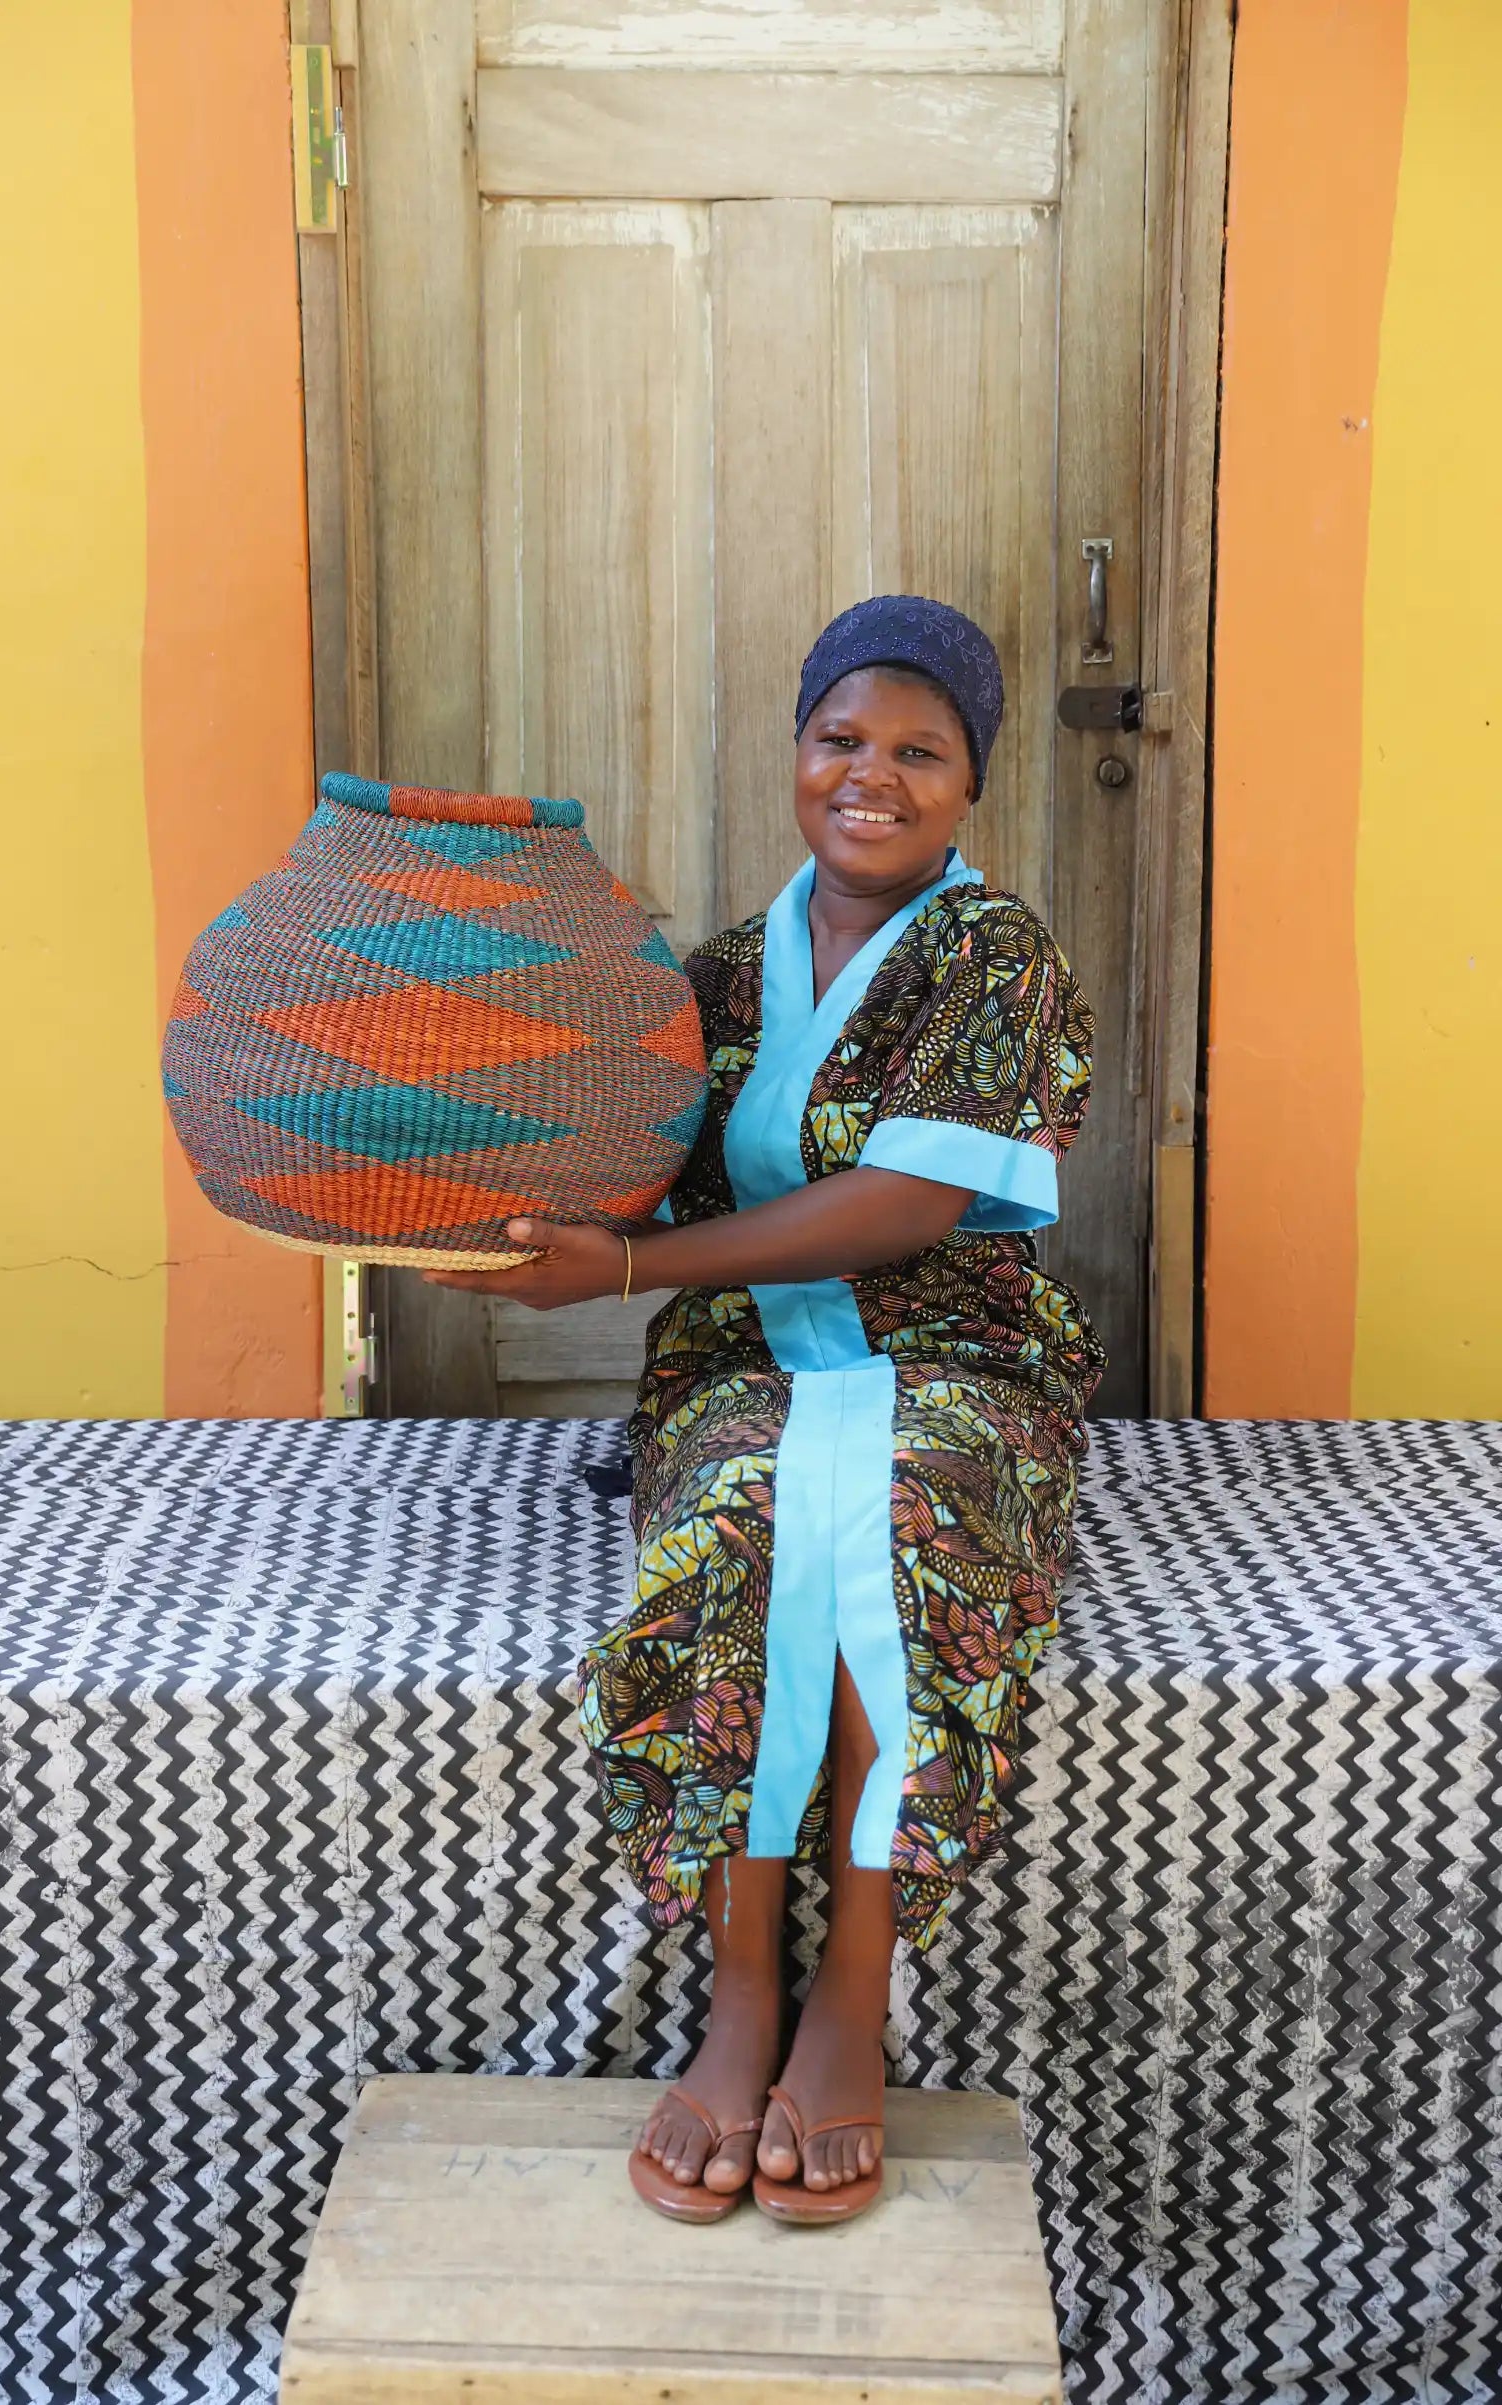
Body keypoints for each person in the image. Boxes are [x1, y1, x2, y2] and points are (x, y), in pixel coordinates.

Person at [424, 595, 1105, 2226]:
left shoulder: (996, 955)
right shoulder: (720, 971)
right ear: (797, 755)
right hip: (740, 1361)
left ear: (971, 783)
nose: (872, 774)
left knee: (894, 1519)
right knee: (742, 1522)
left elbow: (900, 1208)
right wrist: (460, 1099)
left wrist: (630, 1267)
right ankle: (742, 1993)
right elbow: (603, 1125)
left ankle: (850, 1994)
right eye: (840, 739)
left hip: (958, 1350)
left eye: (917, 750)